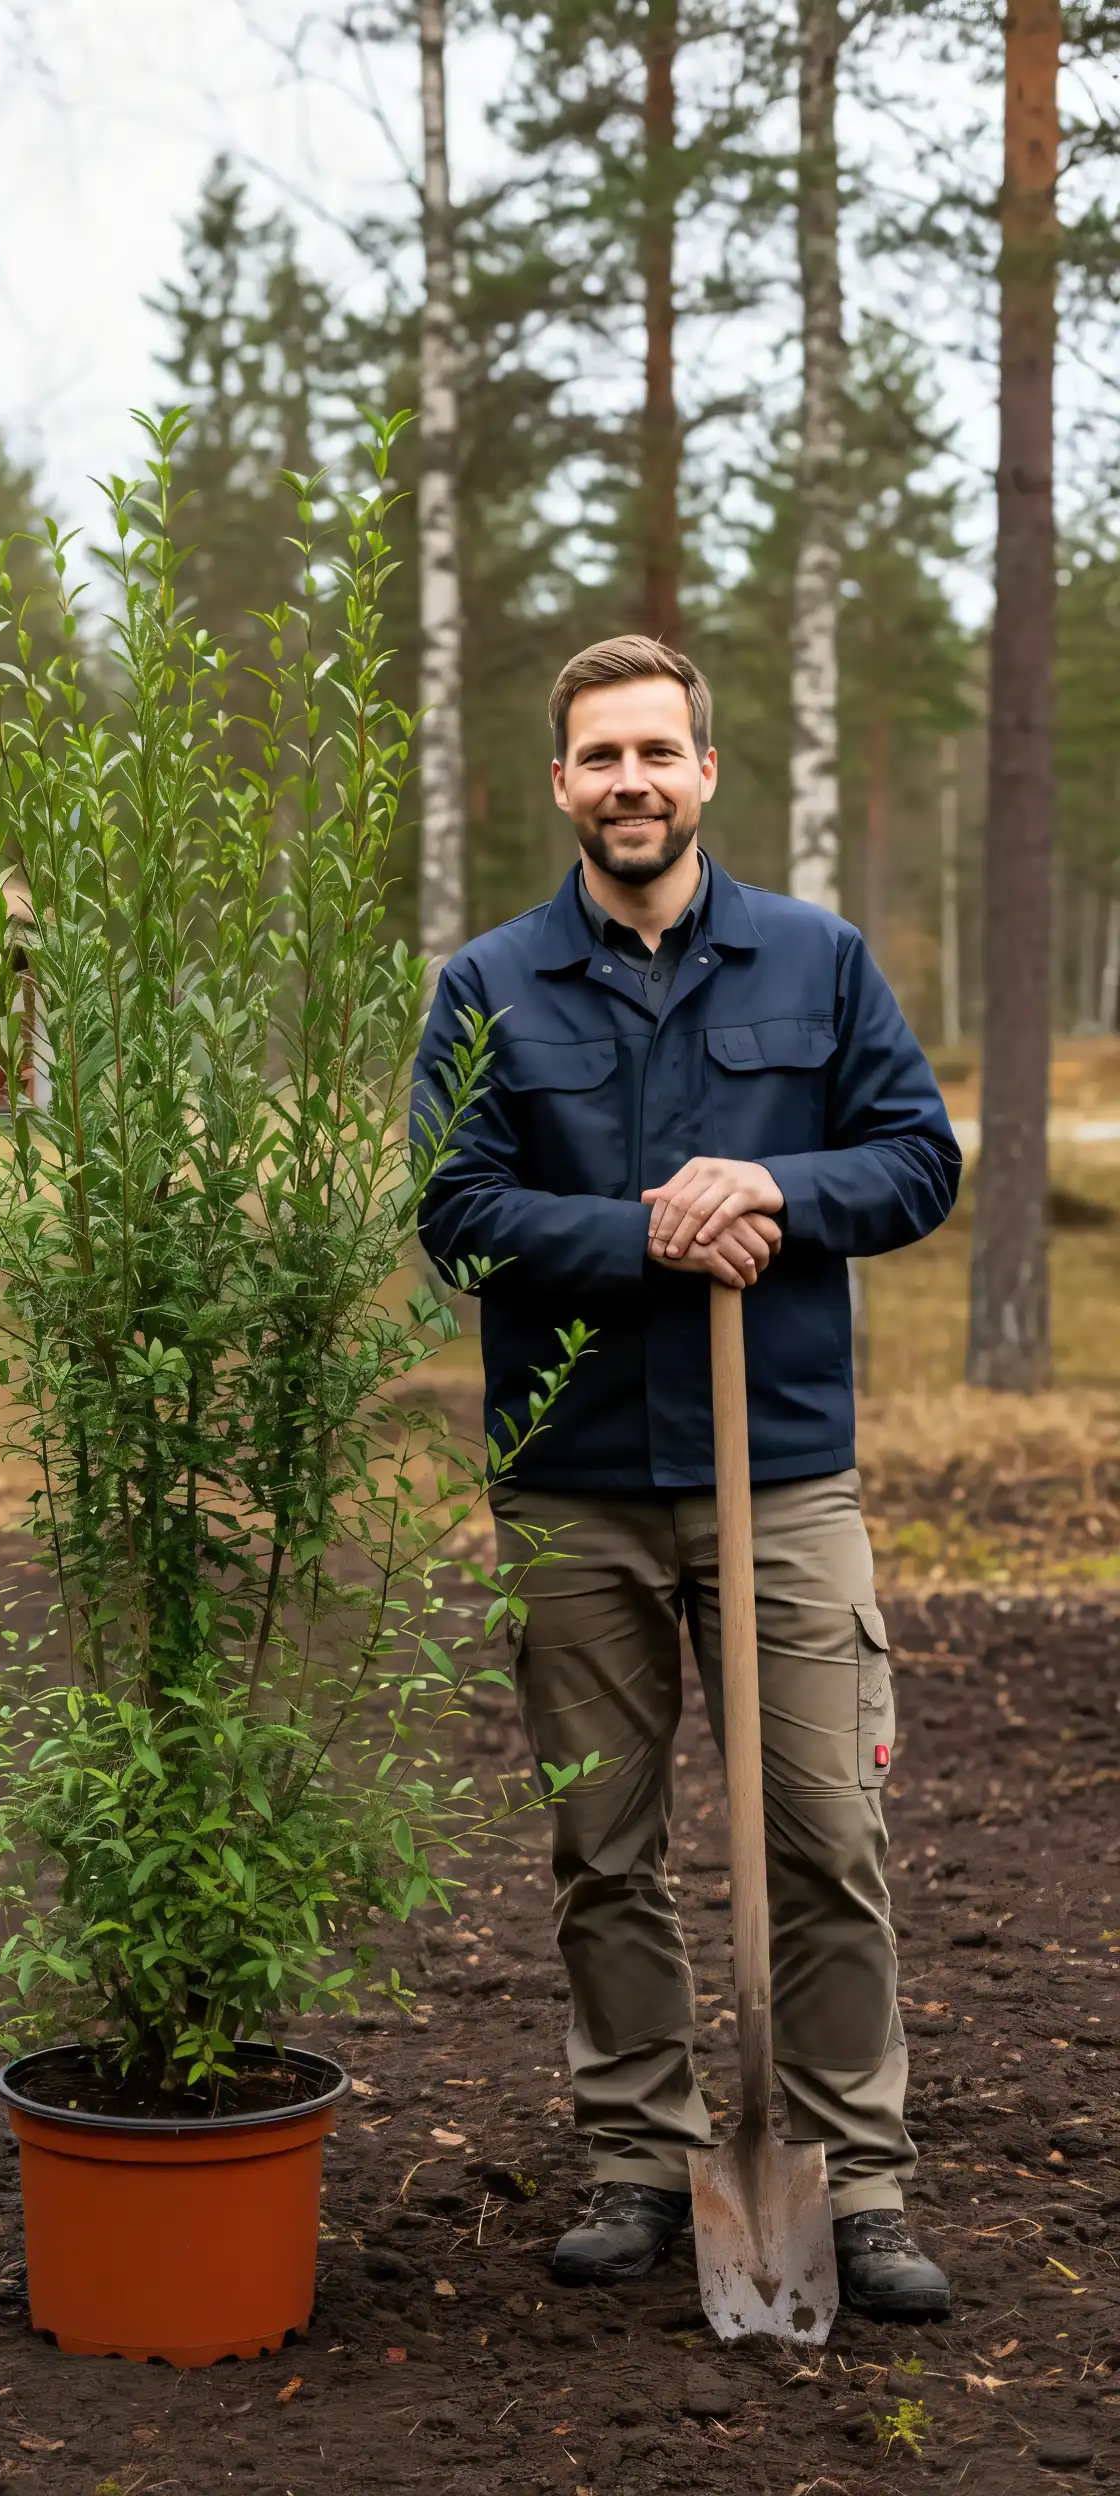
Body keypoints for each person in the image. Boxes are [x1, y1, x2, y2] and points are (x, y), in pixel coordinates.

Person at [412, 634, 960, 2322]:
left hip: (779, 1479)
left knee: (828, 1831)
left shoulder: (817, 958)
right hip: (573, 1484)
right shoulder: (490, 986)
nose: (632, 781)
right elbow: (457, 1214)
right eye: (602, 756)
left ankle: (852, 2178)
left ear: (706, 772)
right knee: (606, 1844)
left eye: (659, 751)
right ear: (562, 784)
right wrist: (646, 1230)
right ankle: (644, 2163)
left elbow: (917, 1159)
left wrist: (776, 1187)